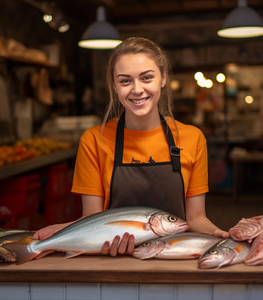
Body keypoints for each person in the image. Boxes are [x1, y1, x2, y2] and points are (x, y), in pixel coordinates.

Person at [34, 36, 229, 257]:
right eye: (125, 81)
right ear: (114, 85)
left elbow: (195, 219)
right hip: (114, 263)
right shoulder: (94, 141)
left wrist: (220, 235)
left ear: (163, 78)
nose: (137, 89)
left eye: (147, 78)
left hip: (175, 259)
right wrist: (55, 236)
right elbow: (92, 220)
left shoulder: (192, 138)